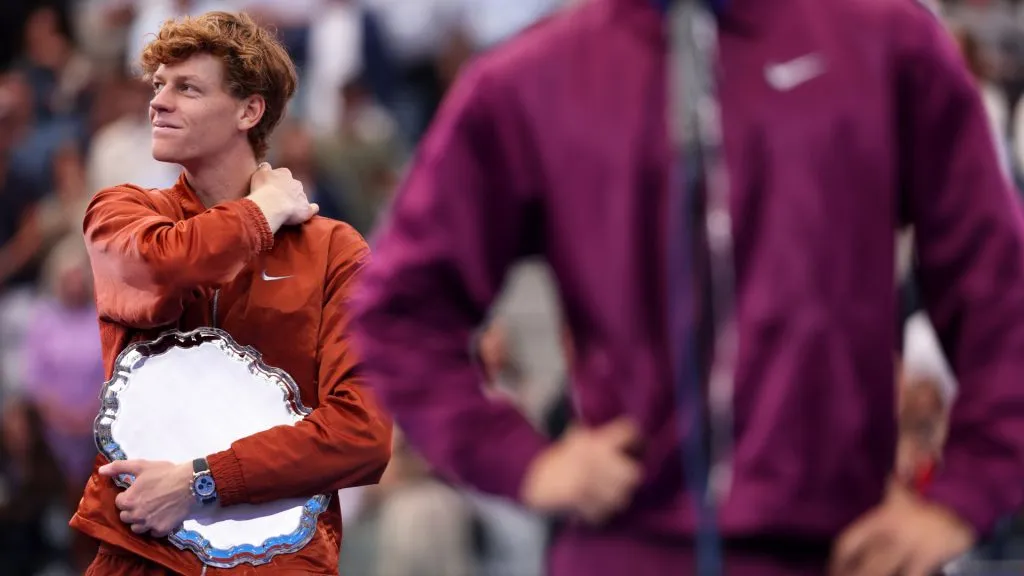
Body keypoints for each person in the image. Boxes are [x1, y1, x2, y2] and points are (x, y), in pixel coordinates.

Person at [351, 0, 1024, 574]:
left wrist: (964, 493)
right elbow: (399, 310)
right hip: (624, 547)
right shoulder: (536, 77)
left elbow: (999, 284)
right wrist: (523, 462)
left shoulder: (885, 43)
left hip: (844, 547)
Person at [69, 11, 392, 574]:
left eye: (186, 87)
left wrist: (201, 480)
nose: (158, 102)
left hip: (283, 561)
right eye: (158, 85)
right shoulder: (121, 213)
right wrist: (262, 210)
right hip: (141, 553)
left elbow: (363, 432)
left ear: (249, 110)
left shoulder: (336, 250)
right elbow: (165, 267)